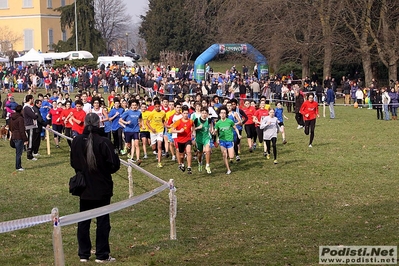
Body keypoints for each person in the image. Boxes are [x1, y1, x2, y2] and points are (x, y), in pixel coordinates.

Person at [70, 113, 120, 263]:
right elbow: (114, 164)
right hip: (101, 187)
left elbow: (73, 163)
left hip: (84, 186)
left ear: (85, 123)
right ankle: (101, 254)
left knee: (83, 220)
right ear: (99, 124)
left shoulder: (77, 141)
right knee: (103, 221)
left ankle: (84, 254)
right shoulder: (104, 142)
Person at [214, 106, 242, 175]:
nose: (223, 114)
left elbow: (235, 128)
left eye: (224, 113)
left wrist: (238, 134)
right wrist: (214, 134)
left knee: (231, 156)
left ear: (226, 114)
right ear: (219, 114)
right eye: (221, 113)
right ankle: (228, 169)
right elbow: (215, 131)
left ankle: (229, 156)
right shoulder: (218, 123)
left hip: (229, 140)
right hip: (222, 141)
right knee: (224, 155)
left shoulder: (230, 121)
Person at [171, 105, 194, 174]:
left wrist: (193, 133)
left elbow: (193, 126)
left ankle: (189, 167)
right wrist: (179, 131)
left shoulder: (190, 121)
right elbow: (171, 130)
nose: (186, 115)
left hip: (188, 139)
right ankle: (182, 164)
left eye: (187, 113)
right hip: (180, 140)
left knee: (189, 152)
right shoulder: (178, 122)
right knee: (181, 155)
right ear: (182, 114)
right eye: (184, 113)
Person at [119, 99, 142, 164]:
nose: (134, 106)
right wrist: (126, 122)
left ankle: (138, 159)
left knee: (137, 144)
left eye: (135, 105)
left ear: (137, 106)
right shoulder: (127, 112)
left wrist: (141, 124)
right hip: (128, 130)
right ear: (130, 106)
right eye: (133, 105)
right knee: (128, 145)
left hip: (136, 130)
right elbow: (120, 120)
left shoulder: (139, 112)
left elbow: (140, 119)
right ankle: (128, 151)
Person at [146, 100, 166, 168]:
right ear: (154, 106)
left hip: (160, 131)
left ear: (160, 106)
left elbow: (164, 120)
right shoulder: (152, 113)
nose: (157, 108)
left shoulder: (163, 113)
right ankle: (156, 152)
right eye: (156, 106)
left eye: (158, 106)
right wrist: (151, 129)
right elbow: (147, 122)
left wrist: (165, 125)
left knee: (160, 145)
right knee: (153, 147)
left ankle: (159, 162)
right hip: (153, 132)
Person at [193, 107, 213, 174]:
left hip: (206, 138)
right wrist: (198, 128)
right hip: (199, 138)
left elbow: (211, 128)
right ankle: (199, 162)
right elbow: (192, 129)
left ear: (207, 114)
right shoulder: (196, 120)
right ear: (200, 113)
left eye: (205, 113)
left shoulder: (209, 120)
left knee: (207, 151)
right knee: (200, 153)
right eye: (203, 113)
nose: (204, 114)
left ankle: (207, 165)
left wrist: (212, 130)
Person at [9, 105, 28, 171]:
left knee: (18, 152)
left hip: (14, 135)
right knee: (19, 153)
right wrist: (25, 139)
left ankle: (18, 165)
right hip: (19, 137)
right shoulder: (20, 119)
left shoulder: (12, 118)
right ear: (21, 110)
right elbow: (22, 130)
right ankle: (18, 166)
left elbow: (10, 127)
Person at [23, 94, 39, 160]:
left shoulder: (29, 107)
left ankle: (31, 154)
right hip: (30, 125)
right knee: (30, 140)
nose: (33, 100)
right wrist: (36, 114)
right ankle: (29, 156)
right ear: (30, 99)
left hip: (32, 125)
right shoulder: (27, 107)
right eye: (32, 99)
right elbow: (34, 116)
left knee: (32, 140)